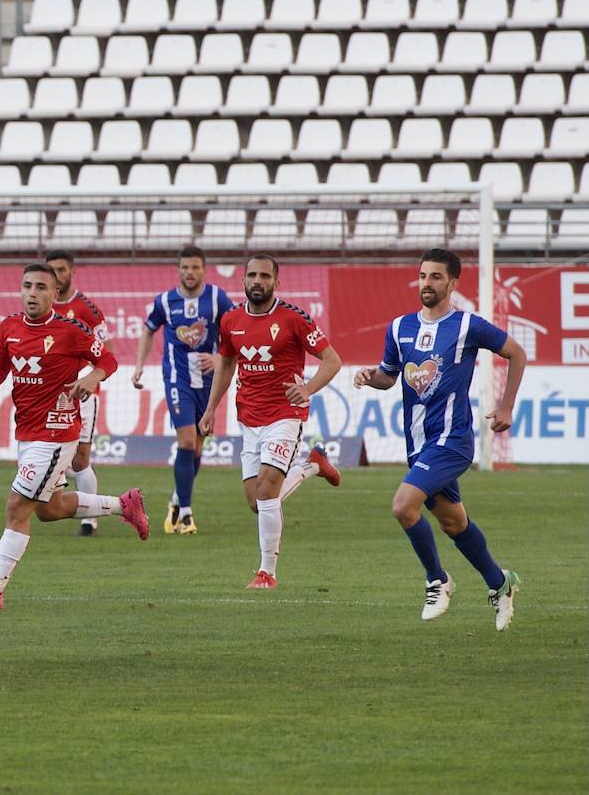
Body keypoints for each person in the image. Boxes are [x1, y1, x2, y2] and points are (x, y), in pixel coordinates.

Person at [0, 263, 149, 611]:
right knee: (48, 509)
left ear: (55, 294)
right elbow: (1, 362)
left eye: (41, 287)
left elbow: (109, 359)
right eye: (27, 286)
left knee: (17, 506)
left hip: (56, 433)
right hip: (26, 432)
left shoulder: (70, 330)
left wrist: (92, 377)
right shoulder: (8, 327)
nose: (32, 293)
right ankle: (124, 504)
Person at [353, 248, 525, 630]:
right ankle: (500, 583)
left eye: (435, 277)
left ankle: (438, 581)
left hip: (453, 440)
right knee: (453, 522)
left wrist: (506, 406)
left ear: (452, 283)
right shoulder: (399, 328)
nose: (426, 283)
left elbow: (516, 353)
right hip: (418, 443)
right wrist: (370, 377)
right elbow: (389, 375)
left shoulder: (467, 325)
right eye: (422, 276)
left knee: (402, 506)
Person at [199, 255, 343, 589]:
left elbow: (332, 361)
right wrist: (210, 410)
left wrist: (306, 389)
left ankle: (267, 573)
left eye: (265, 276)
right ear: (243, 281)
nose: (257, 281)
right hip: (249, 417)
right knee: (256, 501)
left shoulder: (294, 319)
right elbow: (225, 364)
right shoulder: (230, 320)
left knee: (266, 491)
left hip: (285, 415)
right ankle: (312, 466)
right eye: (252, 275)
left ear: (277, 282)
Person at [131, 245, 235, 536]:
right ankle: (187, 515)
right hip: (178, 379)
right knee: (187, 441)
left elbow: (235, 331)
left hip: (209, 382)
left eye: (195, 267)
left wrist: (218, 358)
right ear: (177, 270)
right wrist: (139, 366)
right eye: (185, 267)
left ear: (204, 269)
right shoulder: (165, 300)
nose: (190, 272)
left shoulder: (217, 298)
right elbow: (149, 330)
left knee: (198, 446)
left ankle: (178, 500)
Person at [45, 249, 113, 537]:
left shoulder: (87, 309)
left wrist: (87, 379)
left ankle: (90, 521)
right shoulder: (42, 307)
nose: (57, 276)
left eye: (61, 270)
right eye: (52, 271)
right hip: (48, 395)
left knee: (80, 460)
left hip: (83, 394)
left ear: (72, 271)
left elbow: (106, 352)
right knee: (56, 456)